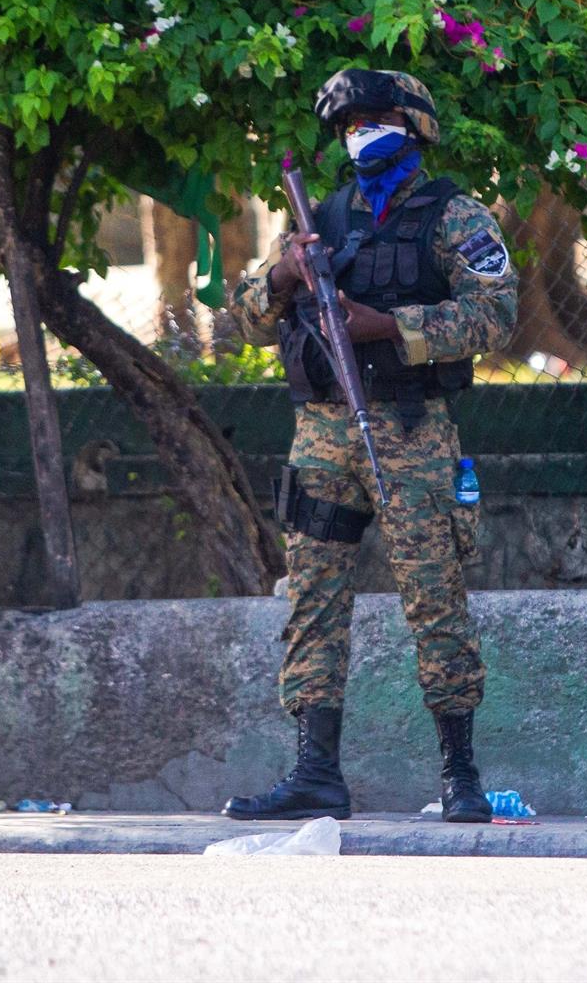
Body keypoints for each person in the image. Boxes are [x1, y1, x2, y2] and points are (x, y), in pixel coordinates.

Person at [223, 68, 517, 823]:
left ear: (413, 125)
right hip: (323, 434)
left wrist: (389, 327)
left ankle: (460, 774)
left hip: (413, 433)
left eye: (377, 118)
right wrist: (284, 275)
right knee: (314, 601)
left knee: (434, 600)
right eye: (351, 123)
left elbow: (494, 315)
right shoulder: (323, 215)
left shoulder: (455, 216)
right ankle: (315, 771)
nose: (362, 133)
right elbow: (250, 320)